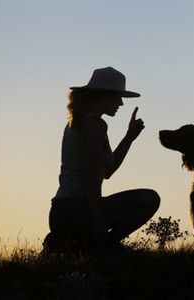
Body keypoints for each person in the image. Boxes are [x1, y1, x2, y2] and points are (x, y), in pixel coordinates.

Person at [44, 67, 160, 253]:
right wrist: (99, 222)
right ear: (103, 96)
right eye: (117, 97)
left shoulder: (79, 122)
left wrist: (129, 137)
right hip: (77, 210)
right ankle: (105, 246)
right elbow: (90, 174)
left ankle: (82, 244)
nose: (121, 103)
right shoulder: (95, 124)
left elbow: (107, 172)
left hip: (61, 212)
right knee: (150, 199)